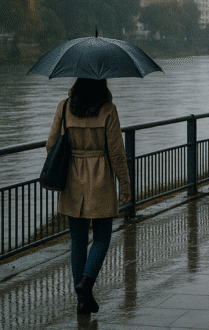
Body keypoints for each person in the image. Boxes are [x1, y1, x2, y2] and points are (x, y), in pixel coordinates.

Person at [46, 78, 131, 315]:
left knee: (78, 241)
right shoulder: (108, 110)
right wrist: (125, 184)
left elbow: (51, 143)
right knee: (103, 236)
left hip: (72, 179)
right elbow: (116, 151)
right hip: (100, 177)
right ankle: (87, 282)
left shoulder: (64, 107)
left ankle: (81, 299)